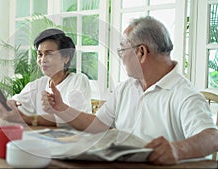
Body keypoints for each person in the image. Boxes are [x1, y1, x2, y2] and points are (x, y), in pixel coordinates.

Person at [41, 16, 218, 165]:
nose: (120, 57)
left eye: (122, 50)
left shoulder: (184, 94)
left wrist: (177, 150)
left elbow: (211, 137)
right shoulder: (126, 87)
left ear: (141, 52)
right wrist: (62, 108)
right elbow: (97, 125)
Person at [0, 28, 92, 127]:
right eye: (40, 54)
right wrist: (10, 105)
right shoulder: (38, 85)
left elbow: (75, 119)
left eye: (49, 54)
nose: (42, 60)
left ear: (66, 57)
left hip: (75, 140)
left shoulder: (78, 80)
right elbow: (15, 104)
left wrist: (29, 119)